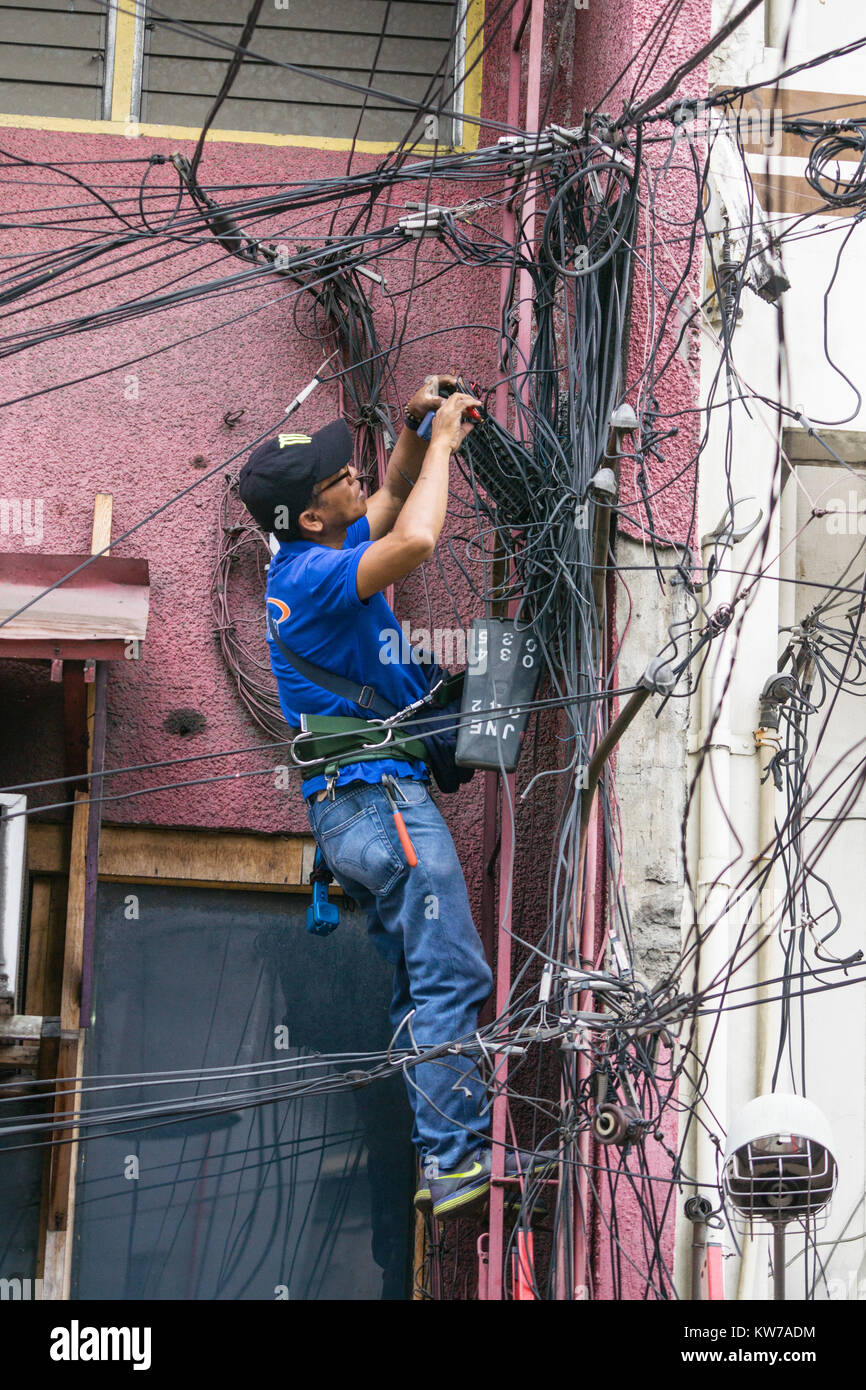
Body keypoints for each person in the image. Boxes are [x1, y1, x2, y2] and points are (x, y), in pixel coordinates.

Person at [238, 375, 541, 1221]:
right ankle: (453, 1161)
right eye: (337, 479)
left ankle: (439, 1151)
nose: (352, 480)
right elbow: (414, 540)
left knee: (423, 987)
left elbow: (396, 492)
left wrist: (416, 425)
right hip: (376, 801)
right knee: (453, 973)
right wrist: (445, 442)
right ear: (308, 516)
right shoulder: (319, 580)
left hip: (363, 809)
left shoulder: (319, 557)